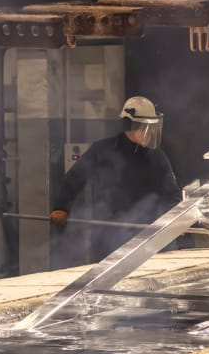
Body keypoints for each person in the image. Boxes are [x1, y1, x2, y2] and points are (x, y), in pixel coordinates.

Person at [50, 96, 182, 265]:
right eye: (144, 128)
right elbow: (74, 179)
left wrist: (177, 219)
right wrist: (61, 207)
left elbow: (172, 195)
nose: (149, 134)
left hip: (150, 241)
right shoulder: (101, 151)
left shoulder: (158, 158)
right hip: (106, 242)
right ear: (129, 126)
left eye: (152, 128)